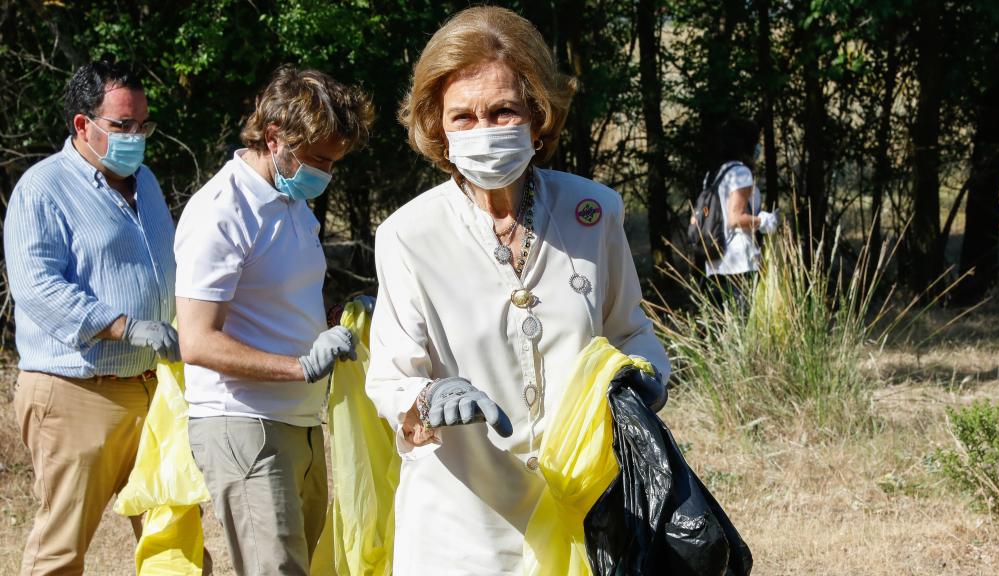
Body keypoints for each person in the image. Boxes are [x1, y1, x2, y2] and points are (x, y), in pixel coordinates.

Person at [366, 7, 670, 574]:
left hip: (584, 516)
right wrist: (431, 397)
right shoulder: (407, 236)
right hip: (461, 530)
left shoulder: (592, 213)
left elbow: (631, 330)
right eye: (463, 117)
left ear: (538, 113)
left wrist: (642, 382)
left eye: (503, 110)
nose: (483, 131)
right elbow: (388, 377)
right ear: (437, 127)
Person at [174, 66, 373, 576]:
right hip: (245, 423)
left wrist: (338, 317)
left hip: (300, 421)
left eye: (334, 161)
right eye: (319, 159)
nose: (327, 172)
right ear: (274, 138)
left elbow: (280, 302)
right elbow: (196, 341)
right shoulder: (222, 210)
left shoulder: (293, 203)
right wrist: (300, 367)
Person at [4, 59, 178, 575]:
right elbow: (37, 287)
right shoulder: (43, 189)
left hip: (152, 391)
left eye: (143, 124)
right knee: (61, 549)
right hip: (76, 393)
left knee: (173, 540)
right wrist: (123, 325)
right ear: (84, 124)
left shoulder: (144, 181)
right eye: (122, 126)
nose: (136, 137)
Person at [703, 117, 779, 309]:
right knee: (742, 326)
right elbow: (735, 218)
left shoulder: (714, 174)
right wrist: (764, 221)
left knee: (722, 330)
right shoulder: (741, 173)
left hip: (714, 262)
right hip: (739, 262)